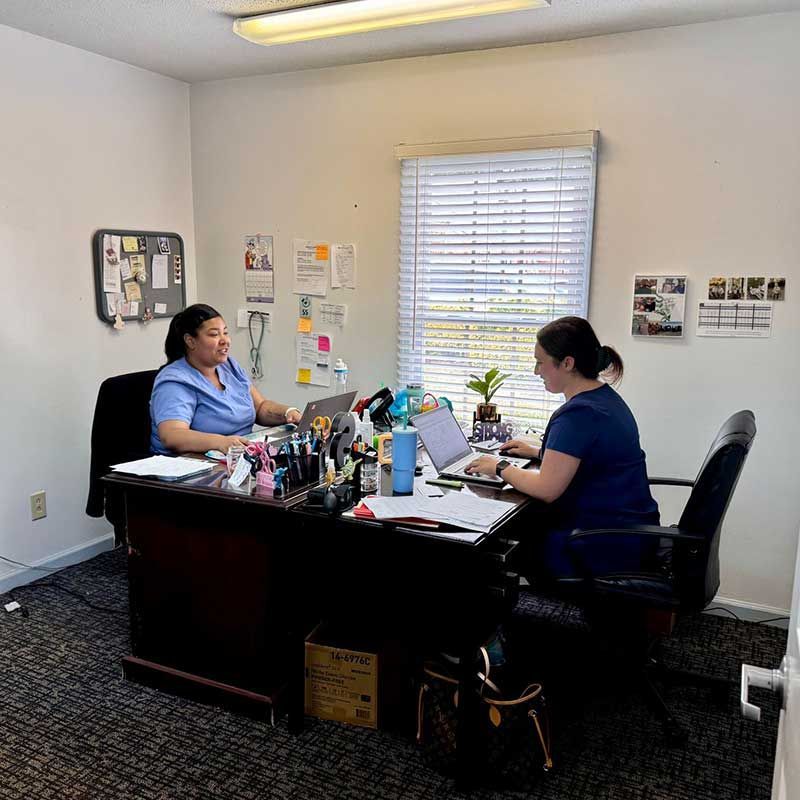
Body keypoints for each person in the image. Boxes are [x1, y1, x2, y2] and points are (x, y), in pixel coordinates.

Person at [465, 316, 659, 579]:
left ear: (567, 363)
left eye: (540, 362)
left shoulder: (578, 414)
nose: (536, 371)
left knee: (490, 539)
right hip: (629, 533)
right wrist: (538, 453)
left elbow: (546, 489)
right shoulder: (604, 399)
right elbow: (591, 457)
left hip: (601, 545)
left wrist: (499, 466)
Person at [150, 304, 302, 455]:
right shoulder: (175, 381)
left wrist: (288, 413)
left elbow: (260, 407)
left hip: (237, 458)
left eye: (225, 333)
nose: (225, 341)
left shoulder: (229, 366)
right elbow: (172, 435)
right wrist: (221, 442)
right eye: (214, 335)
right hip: (190, 467)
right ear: (190, 341)